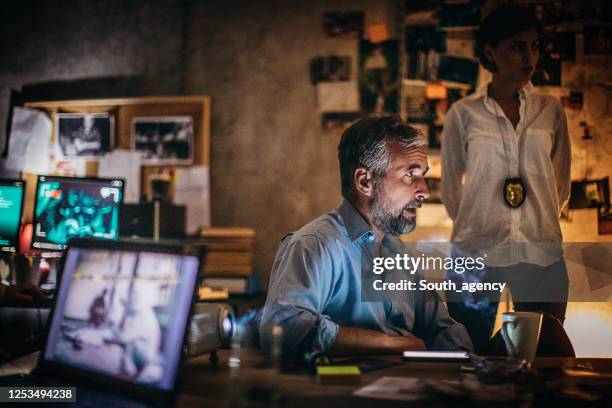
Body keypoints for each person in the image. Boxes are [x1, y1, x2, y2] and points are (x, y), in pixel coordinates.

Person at [259, 115, 473, 357]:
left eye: (422, 175)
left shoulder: (398, 252)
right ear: (364, 181)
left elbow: (440, 327)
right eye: (409, 176)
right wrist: (391, 343)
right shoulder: (315, 245)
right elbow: (282, 327)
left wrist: (470, 363)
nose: (424, 191)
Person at [441, 5, 571, 354]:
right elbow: (451, 188)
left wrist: (534, 221)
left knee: (545, 355)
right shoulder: (463, 113)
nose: (530, 57)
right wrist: (480, 227)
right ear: (490, 52)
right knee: (471, 353)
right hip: (476, 255)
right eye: (517, 47)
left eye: (535, 46)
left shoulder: (550, 110)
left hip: (541, 251)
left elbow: (561, 183)